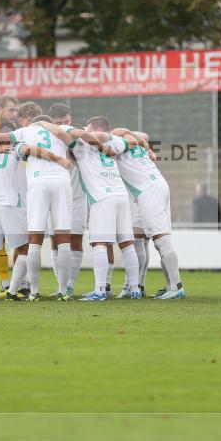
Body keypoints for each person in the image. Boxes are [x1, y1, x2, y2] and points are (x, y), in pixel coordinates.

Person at [0, 113, 74, 301]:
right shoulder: (54, 133)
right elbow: (34, 148)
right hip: (14, 199)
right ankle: (60, 290)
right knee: (55, 241)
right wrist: (59, 159)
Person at [44, 116, 141, 302]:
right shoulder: (116, 142)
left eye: (89, 129)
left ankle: (100, 290)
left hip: (101, 198)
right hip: (120, 196)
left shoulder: (81, 144)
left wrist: (41, 123)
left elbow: (60, 132)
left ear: (95, 129)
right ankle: (135, 289)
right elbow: (134, 140)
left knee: (99, 244)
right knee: (127, 244)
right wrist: (118, 133)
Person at [108, 126, 185, 300]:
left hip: (148, 191)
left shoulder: (118, 144)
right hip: (151, 188)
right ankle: (138, 285)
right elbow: (141, 140)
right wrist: (128, 131)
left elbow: (108, 148)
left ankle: (176, 286)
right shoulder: (139, 146)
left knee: (161, 239)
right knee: (141, 238)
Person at [48, 103, 88, 296]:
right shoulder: (47, 141)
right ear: (52, 124)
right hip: (56, 198)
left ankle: (70, 285)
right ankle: (60, 286)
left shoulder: (80, 140)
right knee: (56, 242)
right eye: (59, 123)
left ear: (71, 120)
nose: (64, 126)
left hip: (78, 198)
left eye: (67, 122)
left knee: (76, 241)